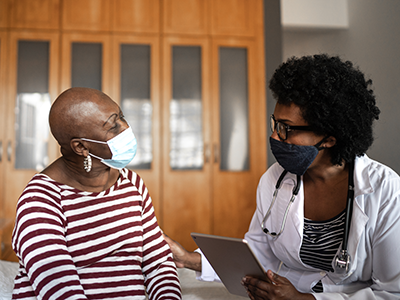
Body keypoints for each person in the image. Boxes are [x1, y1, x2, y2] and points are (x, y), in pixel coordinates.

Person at [164, 54, 400, 299]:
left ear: (330, 137)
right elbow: (257, 254)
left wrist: (303, 299)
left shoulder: (386, 191)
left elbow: (393, 292)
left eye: (286, 129)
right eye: (275, 124)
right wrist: (189, 259)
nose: (276, 137)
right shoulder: (275, 179)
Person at [12, 87, 182, 300]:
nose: (126, 127)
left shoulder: (133, 184)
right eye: (113, 126)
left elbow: (158, 264)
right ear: (81, 147)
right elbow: (59, 288)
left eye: (122, 116)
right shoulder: (40, 200)